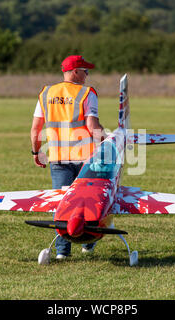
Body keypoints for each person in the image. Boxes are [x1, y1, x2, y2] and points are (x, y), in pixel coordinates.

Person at [30, 55, 105, 260]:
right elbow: (92, 127)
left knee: (63, 205)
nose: (87, 74)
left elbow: (36, 128)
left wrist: (36, 152)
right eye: (85, 70)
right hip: (85, 159)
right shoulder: (87, 93)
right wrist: (108, 142)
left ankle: (62, 253)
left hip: (57, 159)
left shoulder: (46, 93)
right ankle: (88, 243)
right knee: (89, 203)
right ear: (75, 72)